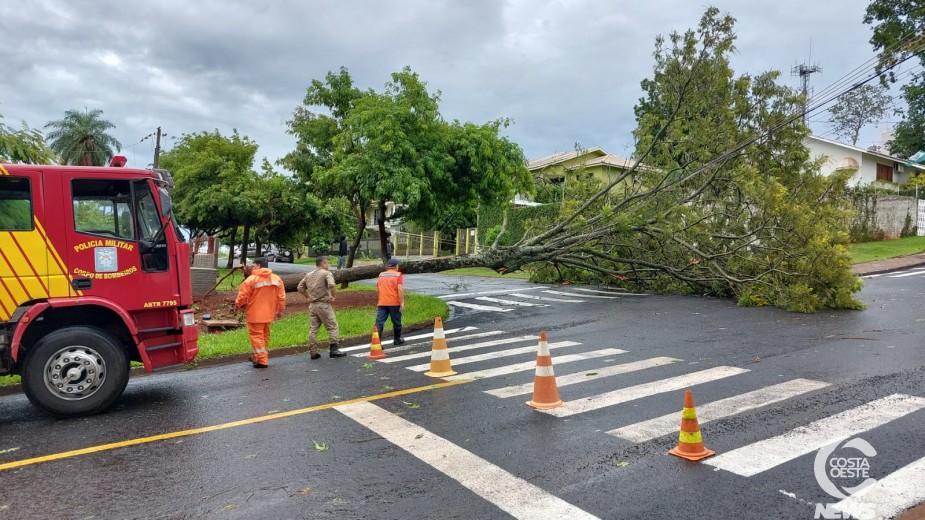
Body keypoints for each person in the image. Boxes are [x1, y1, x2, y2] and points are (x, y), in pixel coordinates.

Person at [235, 257, 285, 368]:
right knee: (264, 336)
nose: (252, 268)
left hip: (255, 313)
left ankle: (262, 360)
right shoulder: (277, 279)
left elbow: (242, 296)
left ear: (258, 265)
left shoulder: (251, 279)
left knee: (257, 336)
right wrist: (279, 310)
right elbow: (281, 297)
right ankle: (258, 356)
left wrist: (237, 305)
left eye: (253, 266)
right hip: (269, 313)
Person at [297, 256, 346, 359]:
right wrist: (334, 296)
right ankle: (334, 349)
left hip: (312, 305)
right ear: (323, 264)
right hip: (323, 305)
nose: (328, 265)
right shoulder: (326, 273)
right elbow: (332, 284)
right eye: (327, 263)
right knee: (332, 326)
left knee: (313, 329)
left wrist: (308, 297)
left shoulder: (308, 275)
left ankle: (313, 352)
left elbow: (300, 288)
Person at [376, 257, 405, 346]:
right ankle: (397, 340)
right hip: (394, 302)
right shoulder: (398, 275)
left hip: (382, 302)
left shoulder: (381, 275)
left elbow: (378, 287)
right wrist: (402, 302)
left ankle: (377, 342)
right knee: (396, 322)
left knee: (379, 323)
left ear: (389, 266)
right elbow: (400, 289)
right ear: (396, 266)